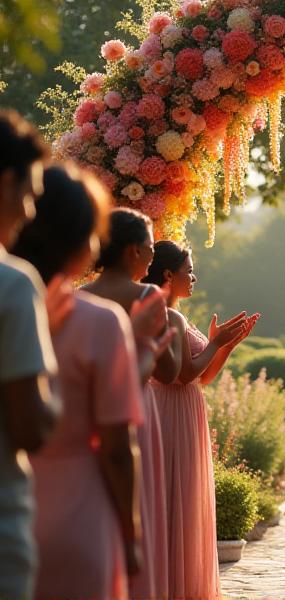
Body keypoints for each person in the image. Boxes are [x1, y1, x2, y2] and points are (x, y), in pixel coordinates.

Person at [12, 164, 148, 598]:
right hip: (80, 514)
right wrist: (131, 535)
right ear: (78, 239)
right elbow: (116, 449)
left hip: (12, 508)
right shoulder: (100, 322)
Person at [142, 240, 257, 598]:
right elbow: (183, 373)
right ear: (167, 274)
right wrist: (215, 342)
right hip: (170, 411)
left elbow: (203, 376)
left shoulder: (176, 314)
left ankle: (181, 581)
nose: (194, 277)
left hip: (184, 408)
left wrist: (224, 346)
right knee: (174, 495)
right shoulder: (163, 313)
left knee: (184, 496)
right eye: (188, 270)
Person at [83, 208, 179, 599]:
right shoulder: (148, 295)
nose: (153, 259)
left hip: (91, 407)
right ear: (132, 252)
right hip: (134, 402)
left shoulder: (79, 296)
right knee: (139, 503)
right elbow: (170, 372)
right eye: (150, 250)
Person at [0, 109, 59, 598]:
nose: (30, 211)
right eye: (28, 194)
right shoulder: (14, 285)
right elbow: (29, 424)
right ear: (5, 183)